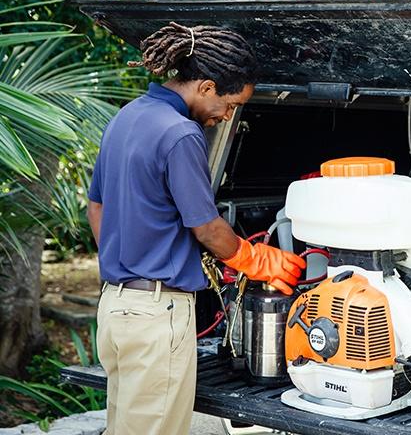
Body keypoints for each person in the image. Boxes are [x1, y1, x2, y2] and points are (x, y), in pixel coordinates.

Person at [86, 22, 305, 435]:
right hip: (156, 315)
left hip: (116, 309)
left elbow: (96, 207)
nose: (228, 115)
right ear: (206, 87)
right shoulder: (181, 133)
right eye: (231, 103)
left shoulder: (127, 117)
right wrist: (257, 259)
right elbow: (206, 228)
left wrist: (129, 262)